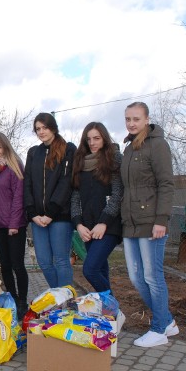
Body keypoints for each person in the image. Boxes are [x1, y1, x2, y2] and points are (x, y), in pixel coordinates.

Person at [121, 101, 178, 348]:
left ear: (146, 120)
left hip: (151, 222)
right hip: (130, 223)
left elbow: (166, 184)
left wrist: (161, 220)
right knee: (136, 277)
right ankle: (167, 322)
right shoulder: (129, 149)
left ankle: (158, 330)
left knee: (153, 277)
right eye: (128, 119)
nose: (131, 123)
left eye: (136, 119)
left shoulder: (158, 145)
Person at [23, 112, 76, 288]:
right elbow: (28, 182)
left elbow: (66, 183)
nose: (41, 132)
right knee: (44, 262)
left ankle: (66, 302)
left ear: (53, 127)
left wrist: (51, 212)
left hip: (60, 216)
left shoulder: (68, 149)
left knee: (61, 260)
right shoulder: (33, 153)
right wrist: (32, 213)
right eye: (37, 129)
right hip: (38, 218)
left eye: (44, 127)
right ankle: (58, 295)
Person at [71, 122, 123, 294]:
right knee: (100, 269)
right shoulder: (80, 163)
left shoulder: (113, 159)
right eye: (89, 139)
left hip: (108, 226)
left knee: (90, 270)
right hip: (87, 227)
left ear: (104, 139)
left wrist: (104, 222)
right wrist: (78, 224)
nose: (92, 143)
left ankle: (112, 305)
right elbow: (75, 197)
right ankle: (109, 314)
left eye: (97, 138)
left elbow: (117, 194)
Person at [0, 132, 29, 317]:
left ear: (5, 147)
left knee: (18, 264)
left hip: (13, 224)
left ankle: (23, 301)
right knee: (5, 265)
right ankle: (13, 298)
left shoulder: (14, 166)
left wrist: (14, 223)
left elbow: (19, 197)